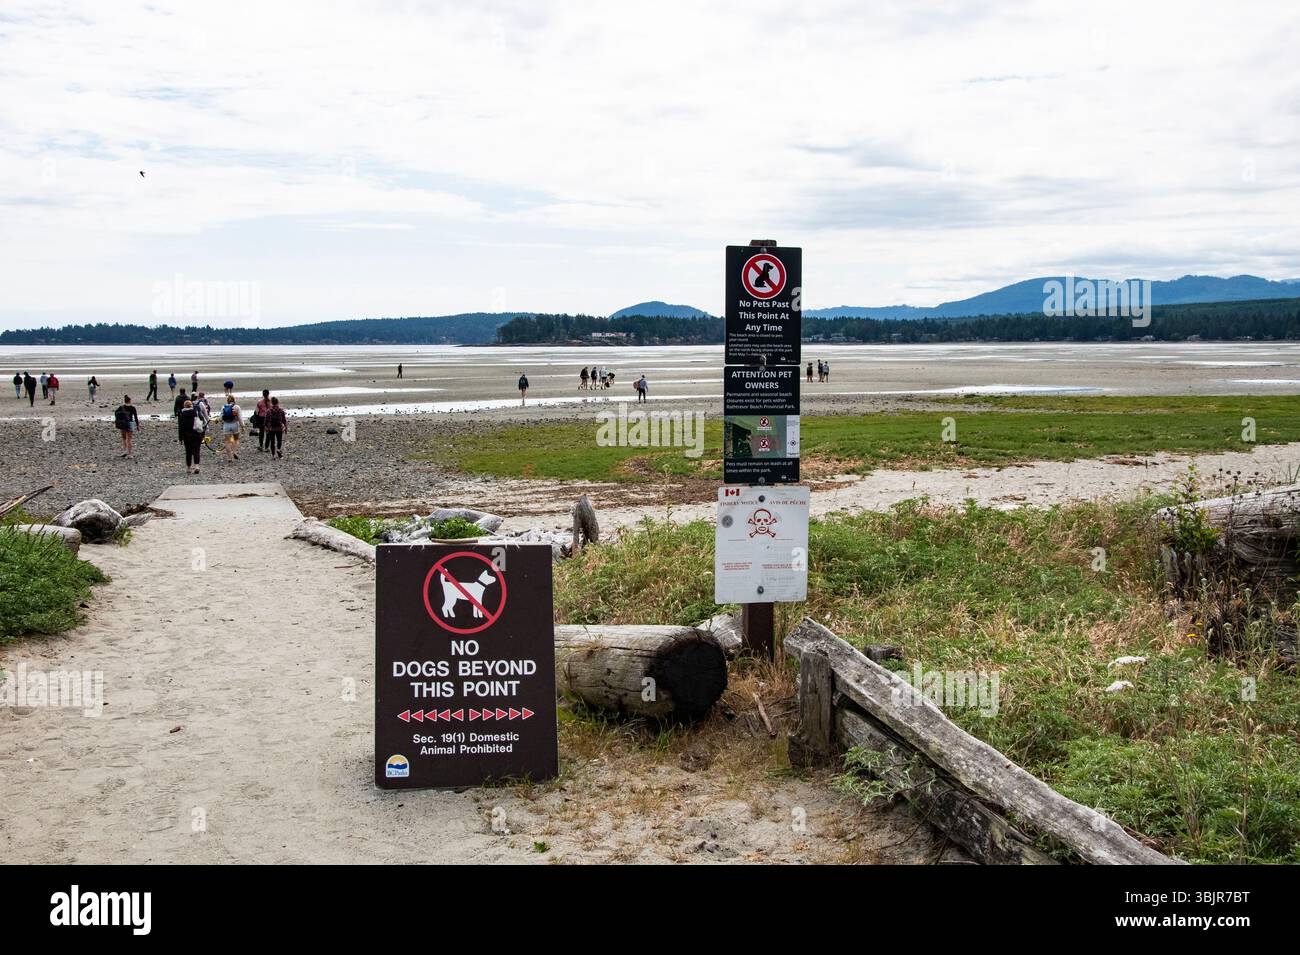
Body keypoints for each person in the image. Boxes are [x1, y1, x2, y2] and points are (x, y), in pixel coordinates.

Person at [178, 399, 203, 474]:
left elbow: (181, 427)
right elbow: (201, 420)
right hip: (196, 433)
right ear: (191, 405)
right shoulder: (195, 412)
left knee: (188, 451)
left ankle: (188, 468)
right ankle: (197, 466)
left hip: (187, 435)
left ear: (184, 406)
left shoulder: (182, 415)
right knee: (196, 450)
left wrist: (180, 438)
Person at [219, 394, 243, 462]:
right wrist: (242, 426)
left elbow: (221, 418)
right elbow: (240, 417)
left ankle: (230, 458)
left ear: (227, 400)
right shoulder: (236, 407)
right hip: (235, 424)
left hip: (226, 425)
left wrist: (219, 421)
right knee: (236, 439)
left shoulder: (223, 407)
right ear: (234, 400)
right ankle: (234, 451)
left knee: (227, 442)